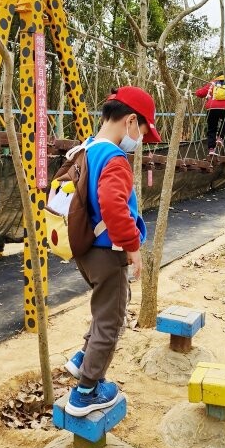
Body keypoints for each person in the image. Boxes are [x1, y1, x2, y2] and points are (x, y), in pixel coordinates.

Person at [64, 86, 161, 416]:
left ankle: (82, 359)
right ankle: (86, 393)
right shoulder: (115, 159)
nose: (141, 140)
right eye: (142, 132)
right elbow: (113, 205)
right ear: (130, 121)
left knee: (103, 309)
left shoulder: (86, 148)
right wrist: (132, 246)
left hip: (85, 250)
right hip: (108, 252)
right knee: (112, 320)